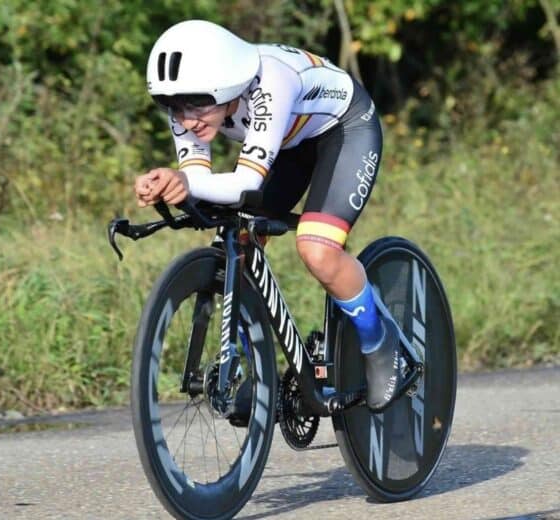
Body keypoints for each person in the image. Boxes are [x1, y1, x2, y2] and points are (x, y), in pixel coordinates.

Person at [134, 20, 401, 411]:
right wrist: (170, 184)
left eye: (196, 104)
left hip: (344, 129)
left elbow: (245, 183)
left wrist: (185, 184)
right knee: (237, 245)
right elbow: (196, 177)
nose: (186, 119)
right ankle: (257, 369)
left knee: (317, 249)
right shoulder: (189, 103)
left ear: (228, 86)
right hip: (290, 143)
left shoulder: (271, 83)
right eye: (173, 106)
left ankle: (380, 343)